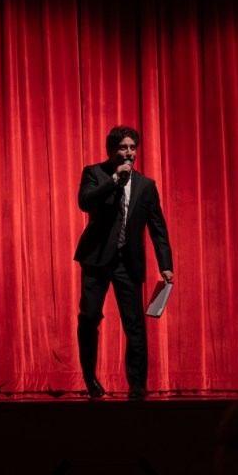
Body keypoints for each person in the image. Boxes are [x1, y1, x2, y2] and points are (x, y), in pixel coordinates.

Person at [74, 125, 173, 400]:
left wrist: (165, 263)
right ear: (111, 151)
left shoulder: (146, 185)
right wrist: (114, 180)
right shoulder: (94, 173)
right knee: (90, 316)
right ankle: (91, 379)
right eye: (123, 148)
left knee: (134, 324)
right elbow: (85, 202)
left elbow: (158, 228)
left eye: (132, 148)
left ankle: (137, 386)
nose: (129, 153)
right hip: (96, 259)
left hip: (127, 261)